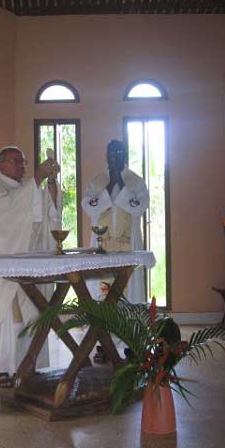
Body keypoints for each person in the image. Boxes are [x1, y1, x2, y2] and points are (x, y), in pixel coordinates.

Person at [0, 146, 61, 388]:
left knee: (32, 314)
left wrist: (50, 182)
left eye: (23, 161)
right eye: (16, 161)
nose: (22, 166)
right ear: (1, 164)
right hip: (7, 272)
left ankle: (30, 365)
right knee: (9, 319)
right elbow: (11, 211)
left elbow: (50, 212)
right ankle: (3, 368)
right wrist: (38, 177)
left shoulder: (28, 190)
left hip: (30, 265)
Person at [81, 139, 149, 362]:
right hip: (103, 248)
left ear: (125, 155)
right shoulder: (97, 181)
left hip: (128, 247)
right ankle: (103, 344)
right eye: (112, 152)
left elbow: (140, 206)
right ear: (106, 156)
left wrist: (120, 186)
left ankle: (131, 343)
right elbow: (88, 205)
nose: (115, 156)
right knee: (102, 294)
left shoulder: (135, 181)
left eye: (119, 152)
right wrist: (110, 187)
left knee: (130, 293)